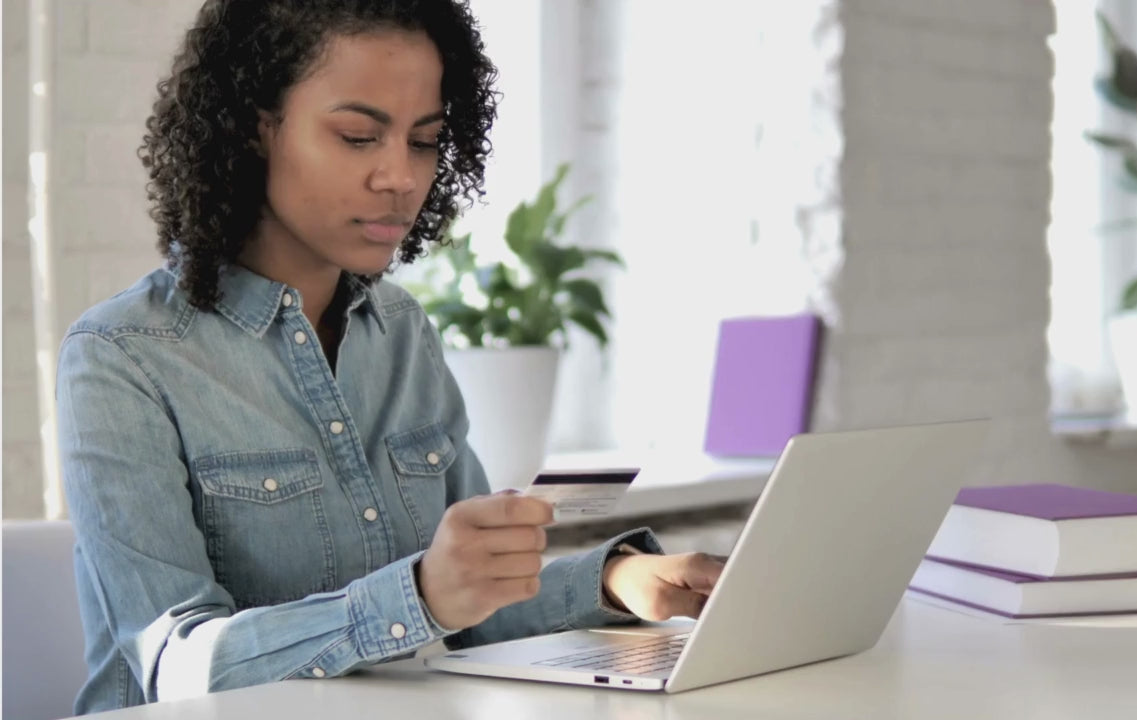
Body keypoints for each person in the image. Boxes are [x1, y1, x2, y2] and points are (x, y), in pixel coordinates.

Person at [56, 1, 724, 714]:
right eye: (357, 136)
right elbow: (178, 665)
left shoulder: (401, 331)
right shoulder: (122, 359)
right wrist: (423, 595)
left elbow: (472, 601)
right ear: (256, 126)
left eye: (425, 140)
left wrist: (617, 580)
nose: (401, 178)